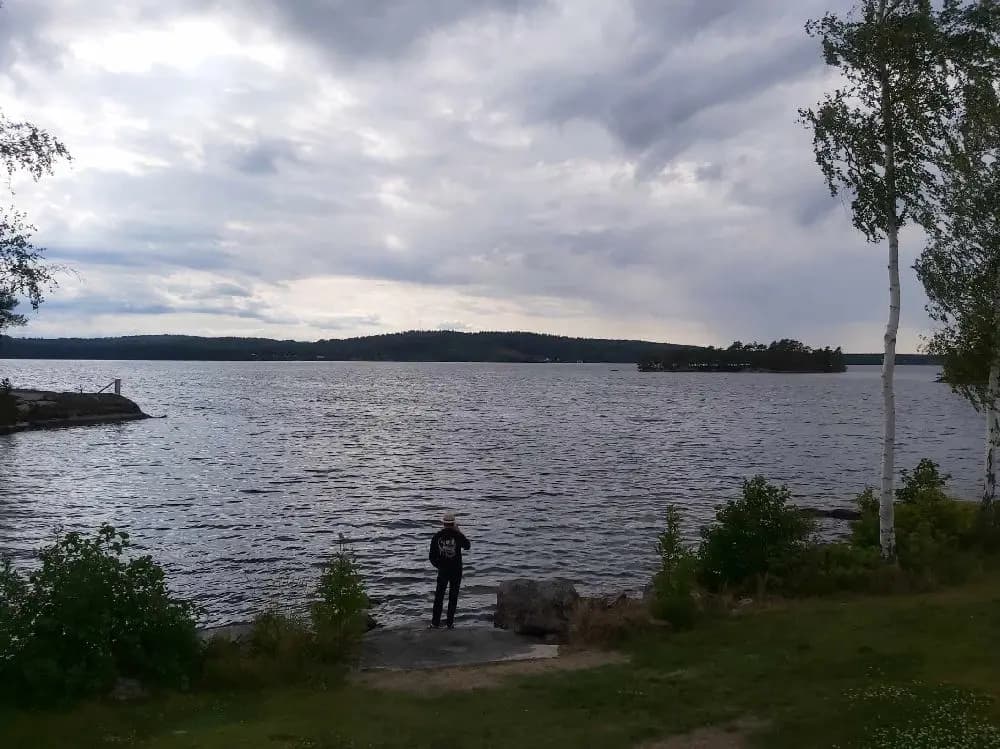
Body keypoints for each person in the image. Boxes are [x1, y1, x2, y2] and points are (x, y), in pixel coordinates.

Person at [428, 511, 470, 629]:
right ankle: (449, 623)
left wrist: (439, 566)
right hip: (456, 570)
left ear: (443, 523)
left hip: (443, 571)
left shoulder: (437, 536)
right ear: (453, 523)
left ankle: (435, 623)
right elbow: (467, 546)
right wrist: (459, 532)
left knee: (439, 597)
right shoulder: (457, 535)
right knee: (453, 597)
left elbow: (431, 556)